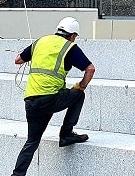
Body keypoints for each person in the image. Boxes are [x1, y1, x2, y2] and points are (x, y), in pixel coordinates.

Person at [12, 17, 96, 176]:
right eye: (75, 37)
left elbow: (18, 60)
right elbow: (90, 69)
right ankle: (66, 134)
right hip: (50, 98)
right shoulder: (69, 47)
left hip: (31, 100)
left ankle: (17, 175)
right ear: (72, 35)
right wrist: (81, 85)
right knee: (78, 95)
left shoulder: (40, 41)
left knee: (32, 142)